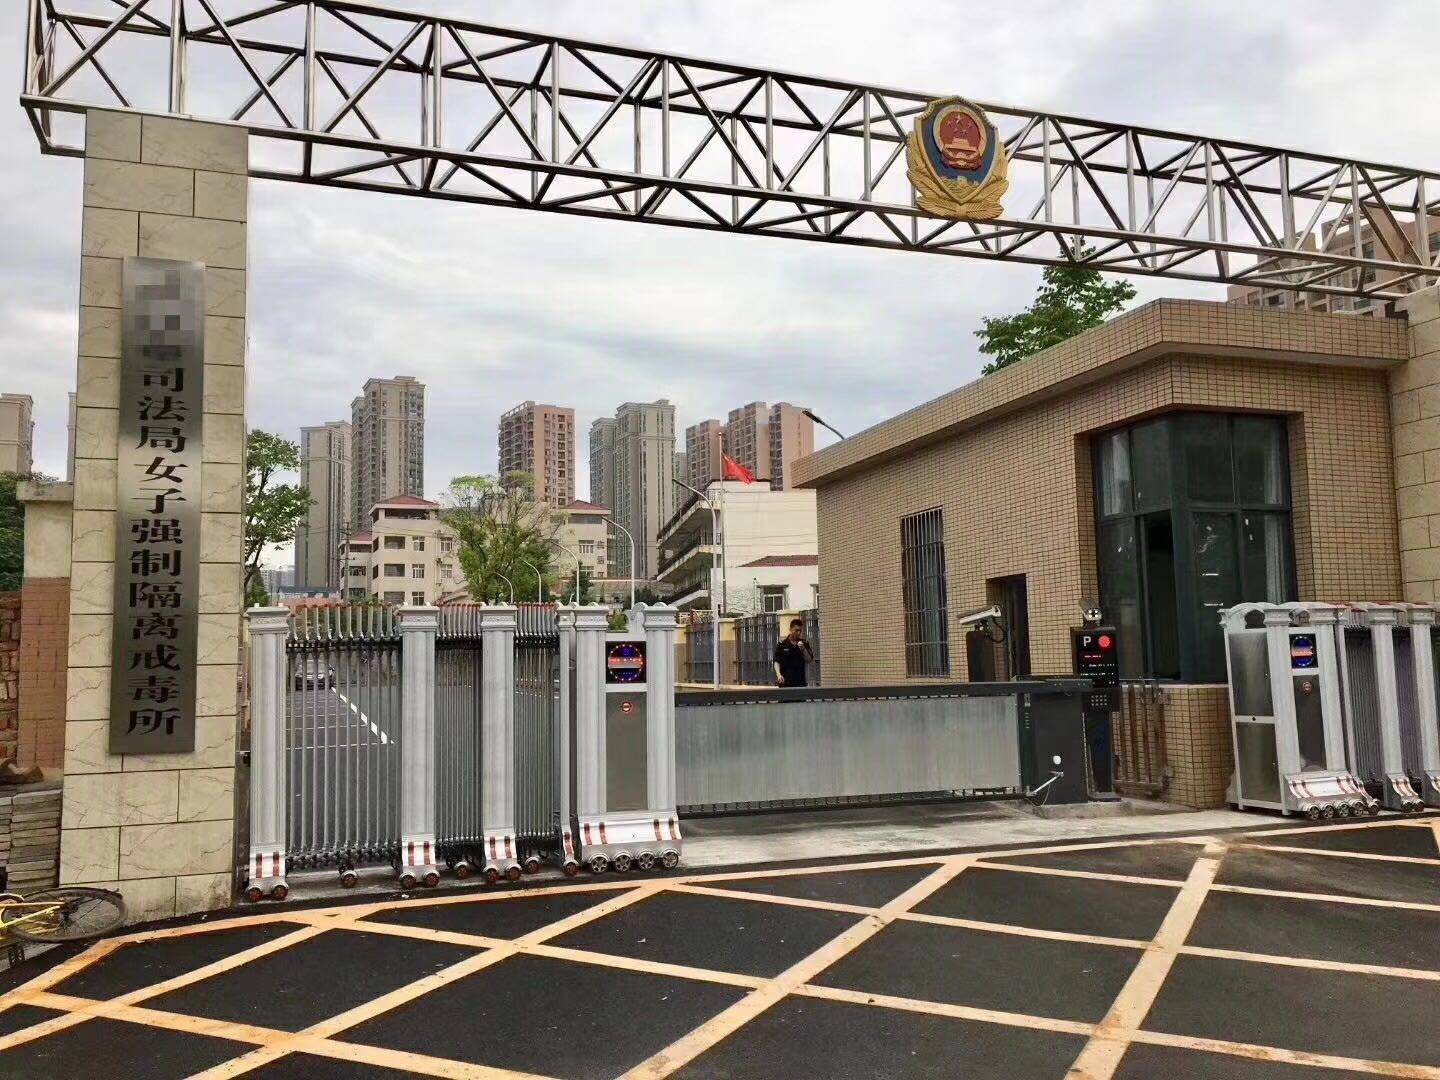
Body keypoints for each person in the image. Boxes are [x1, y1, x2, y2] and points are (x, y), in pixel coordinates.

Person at [773, 618, 814, 688]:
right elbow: (777, 661)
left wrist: (803, 649)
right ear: (790, 629)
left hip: (800, 683)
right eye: (796, 630)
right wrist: (779, 675)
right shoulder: (782, 644)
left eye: (800, 631)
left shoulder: (804, 643)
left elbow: (809, 660)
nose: (799, 633)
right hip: (785, 682)